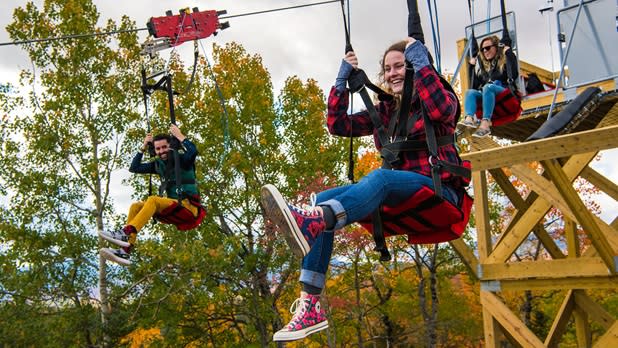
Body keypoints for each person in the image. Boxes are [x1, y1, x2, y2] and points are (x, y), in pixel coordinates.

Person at [261, 37, 469, 341]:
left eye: (401, 66)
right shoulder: (384, 112)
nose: (393, 73)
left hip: (438, 190)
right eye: (388, 68)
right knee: (323, 198)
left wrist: (419, 58)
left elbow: (440, 111)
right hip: (400, 194)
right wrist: (341, 81)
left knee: (379, 178)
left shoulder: (438, 98)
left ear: (415, 67)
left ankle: (317, 220)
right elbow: (338, 126)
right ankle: (310, 305)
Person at [99, 124, 205, 266]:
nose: (161, 151)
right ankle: (126, 249)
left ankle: (127, 232)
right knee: (136, 206)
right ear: (154, 150)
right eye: (158, 148)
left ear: (171, 146)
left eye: (164, 147)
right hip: (173, 207)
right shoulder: (158, 165)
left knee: (153, 200)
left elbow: (193, 151)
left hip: (188, 208)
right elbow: (134, 167)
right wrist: (143, 146)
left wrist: (179, 135)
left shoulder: (183, 161)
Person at [460, 35, 519, 137]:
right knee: (470, 92)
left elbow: (514, 74)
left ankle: (485, 124)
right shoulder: (485, 70)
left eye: (487, 48)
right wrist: (471, 68)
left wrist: (509, 53)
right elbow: (474, 86)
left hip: (505, 95)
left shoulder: (504, 63)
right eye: (482, 50)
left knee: (488, 87)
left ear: (496, 47)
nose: (485, 51)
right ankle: (469, 119)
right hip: (490, 97)